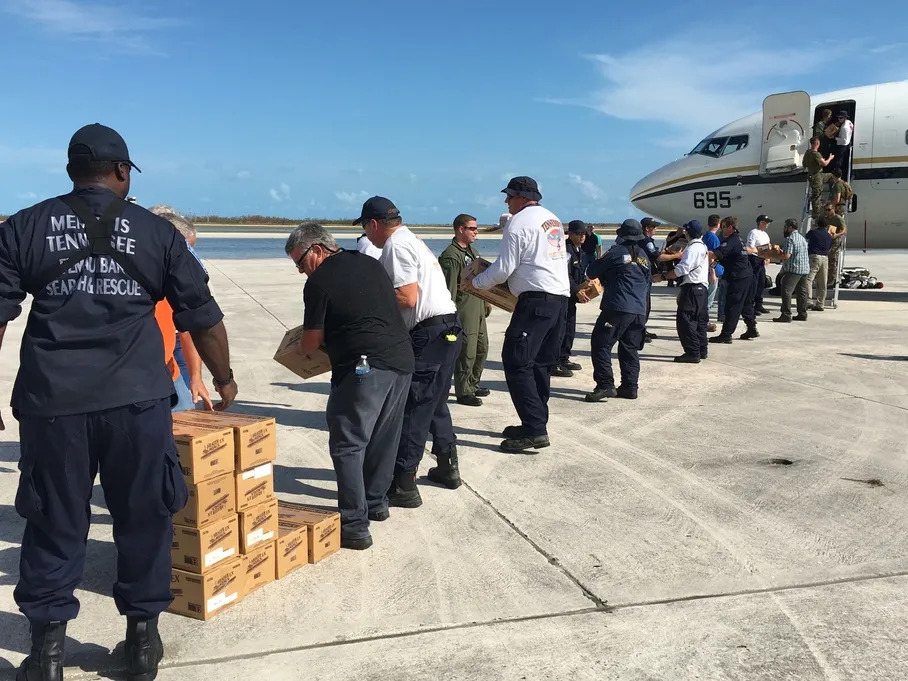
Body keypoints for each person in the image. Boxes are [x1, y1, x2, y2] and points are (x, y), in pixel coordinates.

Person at [0, 123, 237, 681]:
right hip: (137, 404)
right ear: (123, 172)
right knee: (143, 518)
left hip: (53, 404)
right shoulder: (157, 234)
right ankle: (142, 644)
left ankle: (47, 655)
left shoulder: (25, 227)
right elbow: (202, 317)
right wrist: (224, 381)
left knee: (54, 520)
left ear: (70, 171)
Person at [286, 223, 414, 550]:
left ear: (317, 249)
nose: (301, 271)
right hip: (401, 359)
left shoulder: (320, 282)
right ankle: (375, 503)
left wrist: (298, 349)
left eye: (300, 263)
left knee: (347, 442)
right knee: (385, 437)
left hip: (364, 366)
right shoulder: (369, 262)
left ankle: (354, 525)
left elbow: (312, 342)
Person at [357, 196, 464, 505]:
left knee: (414, 407)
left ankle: (404, 483)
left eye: (365, 228)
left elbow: (406, 297)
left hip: (429, 333)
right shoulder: (413, 240)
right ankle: (447, 465)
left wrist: (371, 304)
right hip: (447, 329)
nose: (367, 235)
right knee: (435, 402)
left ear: (374, 224)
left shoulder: (395, 246)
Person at [464, 176, 569, 453]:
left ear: (521, 198)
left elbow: (503, 269)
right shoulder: (552, 219)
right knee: (540, 365)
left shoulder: (518, 223)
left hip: (535, 300)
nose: (506, 201)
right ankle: (535, 421)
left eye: (509, 196)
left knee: (516, 361)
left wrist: (474, 283)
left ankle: (535, 429)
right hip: (559, 300)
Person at [148, 207, 213, 411]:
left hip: (169, 366)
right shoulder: (146, 276)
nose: (190, 257)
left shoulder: (178, 278)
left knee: (186, 409)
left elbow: (189, 328)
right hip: (142, 374)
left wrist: (196, 377)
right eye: (187, 250)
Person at [583, 220, 655, 402]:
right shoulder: (644, 256)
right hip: (639, 310)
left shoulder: (616, 252)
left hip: (618, 307)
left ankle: (605, 384)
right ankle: (630, 386)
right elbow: (647, 281)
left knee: (601, 343)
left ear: (621, 236)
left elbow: (591, 271)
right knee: (629, 348)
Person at [438, 214, 491, 406]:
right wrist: (449, 315)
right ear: (461, 229)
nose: (476, 232)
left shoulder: (473, 251)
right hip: (463, 308)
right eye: (472, 228)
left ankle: (473, 383)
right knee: (466, 350)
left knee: (481, 347)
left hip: (477, 306)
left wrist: (486, 302)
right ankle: (464, 390)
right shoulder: (451, 256)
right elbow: (450, 288)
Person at [663, 220, 710, 363]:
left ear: (688, 232)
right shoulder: (702, 246)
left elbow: (682, 269)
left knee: (686, 321)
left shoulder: (692, 248)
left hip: (692, 288)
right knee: (700, 321)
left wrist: (664, 276)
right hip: (702, 289)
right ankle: (702, 349)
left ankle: (692, 352)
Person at [710, 216, 760, 343]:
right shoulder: (738, 239)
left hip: (738, 278)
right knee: (746, 304)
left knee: (733, 305)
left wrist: (699, 251)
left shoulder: (731, 241)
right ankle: (751, 328)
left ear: (730, 228)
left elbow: (716, 254)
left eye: (724, 227)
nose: (722, 230)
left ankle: (726, 334)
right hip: (746, 275)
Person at [553, 220, 589, 377]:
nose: (582, 236)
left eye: (584, 234)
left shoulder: (578, 250)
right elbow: (564, 274)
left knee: (569, 329)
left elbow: (578, 273)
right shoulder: (566, 251)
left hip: (571, 297)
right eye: (579, 234)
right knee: (560, 330)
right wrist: (577, 290)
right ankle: (554, 363)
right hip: (563, 295)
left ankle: (563, 358)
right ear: (570, 234)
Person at [774, 218, 811, 323]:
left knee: (786, 291)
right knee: (802, 292)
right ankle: (802, 313)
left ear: (790, 227)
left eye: (785, 227)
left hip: (794, 269)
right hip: (804, 269)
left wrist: (776, 255)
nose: (784, 229)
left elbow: (787, 255)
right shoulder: (801, 238)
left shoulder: (790, 239)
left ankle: (786, 314)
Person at [639, 217, 662, 339]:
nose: (656, 230)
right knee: (644, 305)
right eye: (654, 227)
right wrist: (676, 255)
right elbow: (656, 257)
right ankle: (639, 331)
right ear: (647, 228)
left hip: (645, 276)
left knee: (646, 305)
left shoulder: (645, 240)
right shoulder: (646, 241)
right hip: (644, 277)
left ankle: (642, 329)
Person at [745, 215, 772, 315]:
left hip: (761, 259)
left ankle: (759, 304)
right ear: (761, 223)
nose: (767, 225)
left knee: (761, 282)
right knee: (754, 283)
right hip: (754, 259)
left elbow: (768, 247)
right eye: (766, 222)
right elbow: (751, 247)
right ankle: (751, 305)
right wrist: (763, 250)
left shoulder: (765, 234)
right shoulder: (753, 232)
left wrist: (767, 257)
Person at [701, 214, 724, 331]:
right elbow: (712, 257)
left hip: (706, 271)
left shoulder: (706, 236)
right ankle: (705, 322)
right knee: (709, 299)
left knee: (706, 298)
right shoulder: (713, 238)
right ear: (718, 224)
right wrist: (713, 272)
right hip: (711, 272)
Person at [806, 217, 833, 312]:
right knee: (822, 282)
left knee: (808, 279)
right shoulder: (829, 236)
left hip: (815, 257)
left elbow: (806, 237)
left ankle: (808, 301)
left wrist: (813, 227)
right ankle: (820, 304)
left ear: (817, 224)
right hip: (825, 258)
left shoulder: (813, 232)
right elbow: (830, 247)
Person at [803, 137, 835, 218]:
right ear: (817, 143)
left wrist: (814, 163)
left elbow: (804, 164)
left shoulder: (807, 153)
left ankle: (831, 196)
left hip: (811, 175)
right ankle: (816, 215)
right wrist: (830, 158)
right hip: (817, 177)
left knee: (831, 176)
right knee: (817, 195)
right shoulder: (816, 154)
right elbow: (824, 164)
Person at [825, 207, 848, 291]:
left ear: (833, 210)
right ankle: (827, 280)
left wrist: (837, 235)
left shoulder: (838, 218)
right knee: (827, 260)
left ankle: (831, 282)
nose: (827, 211)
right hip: (828, 241)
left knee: (833, 260)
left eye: (829, 209)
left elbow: (844, 230)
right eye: (826, 210)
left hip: (835, 241)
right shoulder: (826, 219)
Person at [833, 110, 854, 176]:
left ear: (845, 118)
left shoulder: (844, 128)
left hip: (842, 146)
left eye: (841, 118)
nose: (839, 119)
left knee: (838, 162)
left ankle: (838, 176)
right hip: (846, 143)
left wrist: (835, 138)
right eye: (838, 117)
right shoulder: (849, 122)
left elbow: (844, 141)